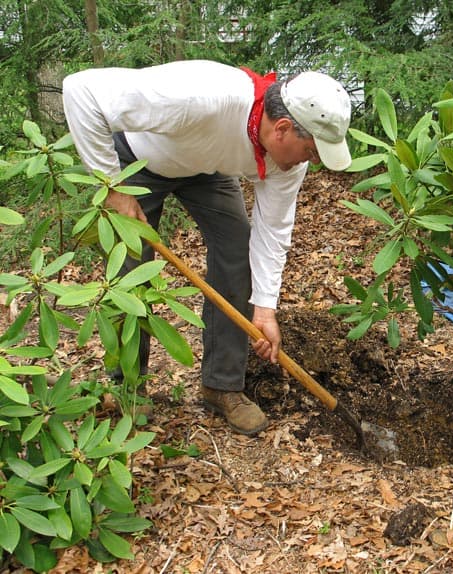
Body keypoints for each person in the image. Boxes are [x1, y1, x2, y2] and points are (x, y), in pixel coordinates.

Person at [62, 60, 352, 436]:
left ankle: (222, 386)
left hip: (205, 168)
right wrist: (113, 187)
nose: (310, 162)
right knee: (130, 267)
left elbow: (272, 231)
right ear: (282, 129)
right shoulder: (200, 96)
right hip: (139, 161)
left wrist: (264, 310)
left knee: (237, 251)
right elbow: (79, 90)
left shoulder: (288, 161)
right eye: (311, 152)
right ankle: (128, 386)